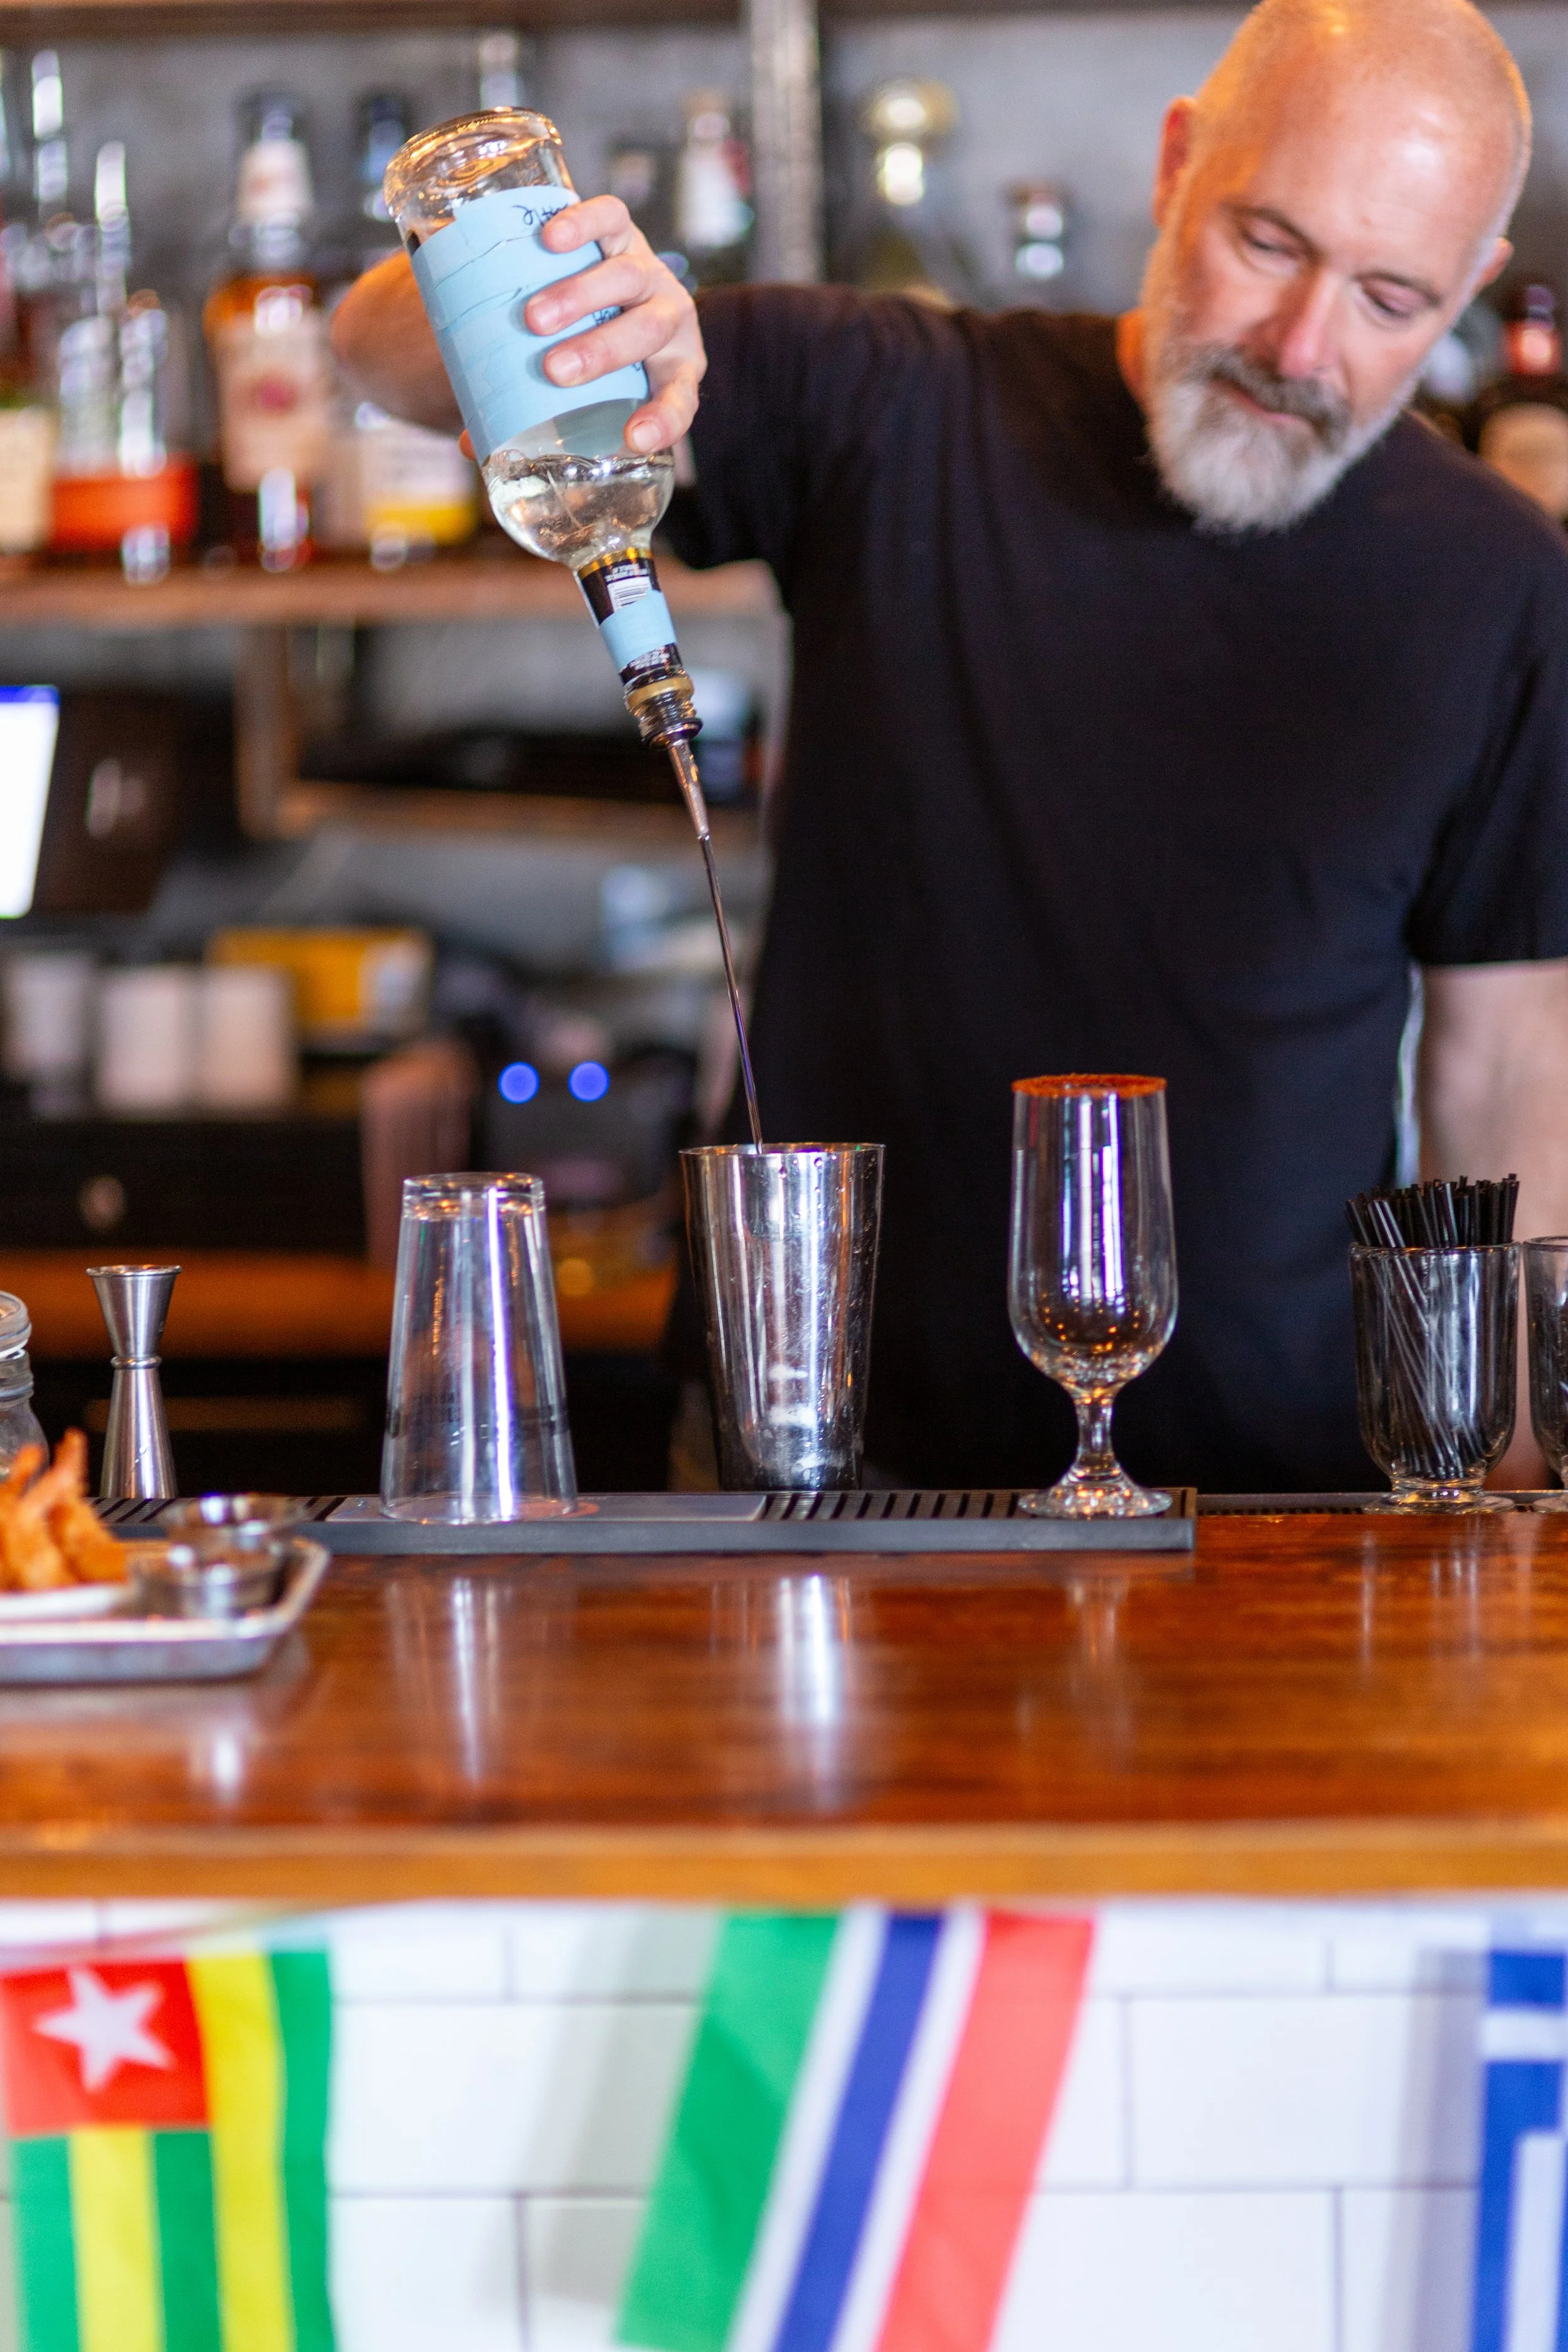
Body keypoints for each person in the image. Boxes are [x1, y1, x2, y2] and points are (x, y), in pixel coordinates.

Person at [334, 0, 1568, 1493]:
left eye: (1390, 300)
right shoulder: (883, 401)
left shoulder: (1501, 582)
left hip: (1277, 1498)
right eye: (1265, 243)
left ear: (1473, 290)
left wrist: (1502, 1484)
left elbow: (1504, 1065)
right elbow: (384, 361)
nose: (1299, 346)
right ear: (1179, 163)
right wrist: (556, 290)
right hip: (806, 1466)